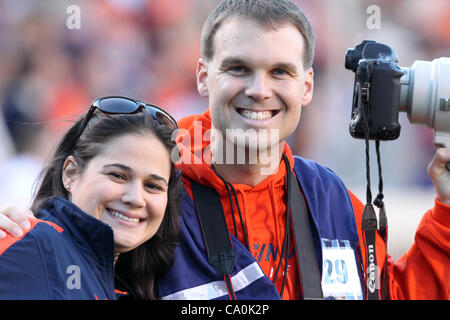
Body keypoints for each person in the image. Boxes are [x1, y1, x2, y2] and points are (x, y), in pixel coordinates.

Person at [1, 0, 449, 300]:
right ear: (202, 76)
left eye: (280, 72)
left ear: (307, 85)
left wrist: (447, 209)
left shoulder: (328, 196)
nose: (259, 90)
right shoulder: (151, 195)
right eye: (238, 68)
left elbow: (392, 292)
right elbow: (61, 257)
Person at [0, 96, 181, 299]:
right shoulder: (26, 244)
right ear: (71, 174)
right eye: (118, 176)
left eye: (152, 186)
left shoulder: (129, 286)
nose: (136, 198)